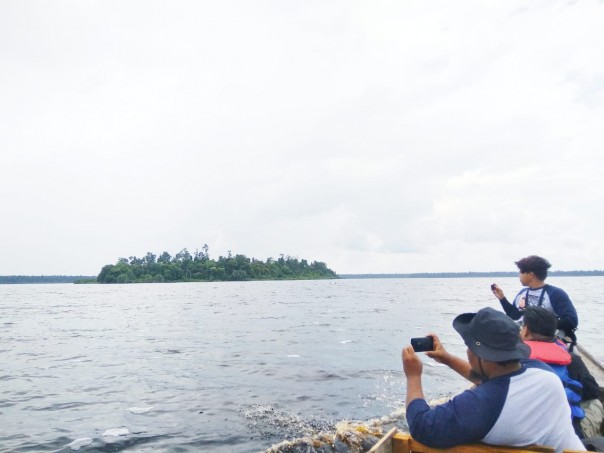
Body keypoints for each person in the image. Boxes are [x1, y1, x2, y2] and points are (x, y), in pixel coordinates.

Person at [402, 307, 585, 452]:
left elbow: (420, 426)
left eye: (469, 347)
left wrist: (413, 375)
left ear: (483, 356)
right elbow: (495, 381)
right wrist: (446, 358)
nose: (467, 352)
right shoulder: (542, 372)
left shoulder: (482, 405)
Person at [521, 306, 602, 439]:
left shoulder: (511, 359)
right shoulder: (571, 359)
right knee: (595, 402)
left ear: (525, 331)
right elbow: (592, 391)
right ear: (554, 331)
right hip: (564, 435)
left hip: (524, 433)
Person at [491, 255, 578, 347]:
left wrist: (539, 326)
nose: (518, 276)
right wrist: (502, 298)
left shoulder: (555, 293)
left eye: (521, 272)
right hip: (525, 339)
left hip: (547, 342)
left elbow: (571, 321)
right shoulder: (522, 293)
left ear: (530, 274)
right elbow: (515, 315)